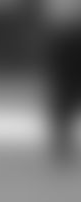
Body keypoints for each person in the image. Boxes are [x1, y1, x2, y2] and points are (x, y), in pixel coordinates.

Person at [40, 0, 81, 168]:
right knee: (62, 94)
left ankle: (61, 143)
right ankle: (61, 143)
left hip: (65, 36)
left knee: (63, 94)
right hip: (63, 38)